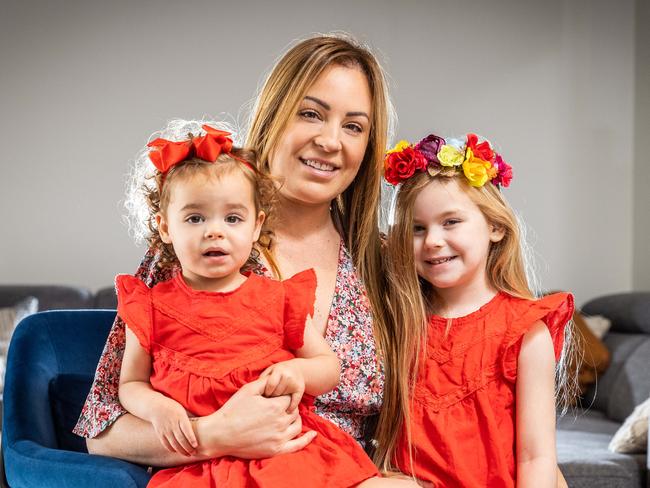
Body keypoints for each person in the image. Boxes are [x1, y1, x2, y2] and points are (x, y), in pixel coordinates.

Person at [74, 34, 399, 470]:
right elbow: (104, 432)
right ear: (275, 115)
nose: (330, 140)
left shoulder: (382, 259)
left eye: (354, 126)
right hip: (224, 473)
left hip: (342, 471)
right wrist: (216, 435)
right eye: (310, 114)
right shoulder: (199, 253)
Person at [114, 124, 392, 486]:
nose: (215, 231)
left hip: (288, 452)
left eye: (232, 218)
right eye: (195, 218)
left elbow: (328, 367)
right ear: (165, 227)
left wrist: (297, 373)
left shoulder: (277, 297)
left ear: (256, 226)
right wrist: (158, 407)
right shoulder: (150, 306)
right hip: (200, 467)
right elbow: (130, 383)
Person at [381, 132, 575, 487]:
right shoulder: (399, 319)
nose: (433, 241)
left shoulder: (525, 331)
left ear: (495, 227)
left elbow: (537, 456)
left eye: (451, 221)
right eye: (417, 229)